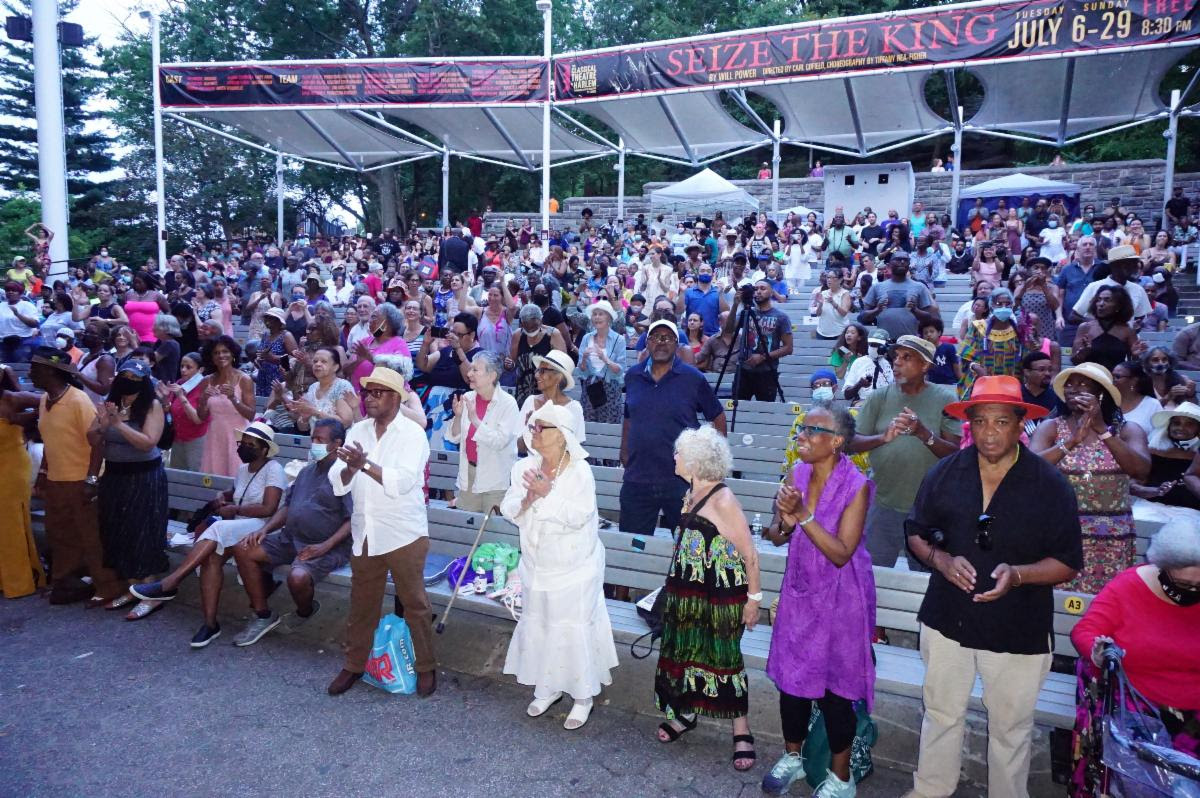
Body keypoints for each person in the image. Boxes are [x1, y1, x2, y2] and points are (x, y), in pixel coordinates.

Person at [903, 375, 1083, 798]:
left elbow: (1067, 562)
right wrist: (941, 560)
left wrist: (1018, 575)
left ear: (1021, 423)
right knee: (942, 714)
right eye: (981, 421)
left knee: (1011, 728)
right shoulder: (945, 472)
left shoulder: (1050, 485)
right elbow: (915, 531)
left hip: (1018, 625)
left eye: (1001, 422)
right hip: (948, 617)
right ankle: (930, 790)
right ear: (970, 423)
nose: (989, 432)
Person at [761, 404, 875, 798]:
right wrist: (781, 519)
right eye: (802, 428)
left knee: (835, 691)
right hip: (801, 593)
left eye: (813, 430)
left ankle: (841, 780)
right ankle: (793, 757)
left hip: (842, 601)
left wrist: (803, 514)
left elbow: (842, 552)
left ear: (837, 442)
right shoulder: (798, 473)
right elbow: (779, 535)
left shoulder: (856, 484)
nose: (802, 435)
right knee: (792, 683)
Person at [500, 402, 617, 730]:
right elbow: (510, 506)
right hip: (536, 564)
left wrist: (547, 493)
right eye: (534, 426)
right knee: (542, 625)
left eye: (542, 427)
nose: (534, 432)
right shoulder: (523, 466)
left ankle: (583, 697)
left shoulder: (579, 471)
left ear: (562, 436)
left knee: (571, 628)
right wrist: (528, 499)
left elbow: (580, 517)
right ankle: (548, 686)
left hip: (575, 567)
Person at [654, 426, 762, 773]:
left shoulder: (722, 500)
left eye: (680, 453)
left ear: (697, 461)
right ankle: (686, 713)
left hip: (721, 595)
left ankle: (741, 729)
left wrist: (753, 600)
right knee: (686, 649)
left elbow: (750, 555)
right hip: (688, 591)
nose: (675, 458)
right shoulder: (689, 491)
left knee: (724, 657)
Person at [1067, 519, 1200, 798]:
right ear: (1163, 567)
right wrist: (1099, 651)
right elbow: (1086, 630)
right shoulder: (1129, 585)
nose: (1193, 589)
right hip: (1137, 705)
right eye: (1184, 583)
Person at [326, 367, 437, 698]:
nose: (369, 398)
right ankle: (354, 664)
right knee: (362, 604)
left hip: (403, 532)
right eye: (367, 393)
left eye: (377, 393)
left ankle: (427, 667)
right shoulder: (358, 429)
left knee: (414, 604)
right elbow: (337, 481)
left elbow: (401, 483)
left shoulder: (412, 434)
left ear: (395, 397)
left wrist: (363, 465)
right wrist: (350, 466)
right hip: (366, 531)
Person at [130, 423, 286, 645]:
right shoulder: (243, 470)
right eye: (243, 443)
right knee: (210, 558)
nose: (244, 448)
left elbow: (269, 508)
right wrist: (226, 495)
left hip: (263, 527)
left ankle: (171, 583)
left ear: (264, 449)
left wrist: (235, 509)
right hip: (239, 527)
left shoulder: (274, 470)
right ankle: (210, 624)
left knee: (218, 529)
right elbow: (239, 493)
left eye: (251, 445)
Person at [229, 419, 354, 645]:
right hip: (290, 538)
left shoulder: (345, 475)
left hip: (326, 545)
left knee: (296, 578)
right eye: (312, 438)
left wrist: (324, 547)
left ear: (337, 443)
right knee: (244, 548)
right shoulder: (307, 472)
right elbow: (287, 507)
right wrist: (265, 529)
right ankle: (263, 615)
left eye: (320, 440)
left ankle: (305, 611)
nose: (313, 443)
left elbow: (352, 520)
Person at [1031, 363, 1150, 594]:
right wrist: (1071, 442)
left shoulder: (1126, 430)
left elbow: (1140, 470)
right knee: (1060, 604)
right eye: (1069, 385)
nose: (1073, 390)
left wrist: (1102, 429)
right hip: (1062, 532)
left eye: (1083, 384)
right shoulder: (1051, 428)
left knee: (1106, 603)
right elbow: (1031, 469)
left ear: (1101, 393)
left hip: (1112, 537)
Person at [848, 335, 960, 579]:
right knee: (870, 577)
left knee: (926, 580)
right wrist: (882, 438)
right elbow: (853, 442)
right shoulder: (878, 397)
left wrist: (923, 433)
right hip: (883, 503)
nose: (897, 363)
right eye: (896, 356)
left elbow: (954, 454)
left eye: (907, 357)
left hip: (928, 509)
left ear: (925, 366)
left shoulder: (946, 399)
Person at [30, 346, 122, 605]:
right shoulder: (44, 400)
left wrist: (92, 480)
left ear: (51, 370)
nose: (31, 373)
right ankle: (67, 581)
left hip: (81, 480)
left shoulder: (78, 400)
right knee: (59, 533)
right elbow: (50, 440)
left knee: (91, 536)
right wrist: (43, 472)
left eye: (35, 368)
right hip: (57, 480)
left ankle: (108, 586)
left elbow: (98, 442)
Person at [620, 317, 726, 535]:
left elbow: (717, 416)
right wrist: (624, 450)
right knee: (634, 548)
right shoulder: (633, 376)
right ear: (647, 343)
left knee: (687, 549)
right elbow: (629, 415)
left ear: (677, 346)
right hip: (638, 478)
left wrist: (713, 463)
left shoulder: (692, 378)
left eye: (667, 338)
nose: (661, 342)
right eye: (655, 337)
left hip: (681, 480)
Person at [95, 360, 170, 620]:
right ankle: (132, 587)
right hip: (115, 476)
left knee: (142, 532)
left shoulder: (152, 405)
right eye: (124, 376)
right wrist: (103, 425)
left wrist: (118, 424)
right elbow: (91, 437)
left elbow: (148, 442)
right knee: (119, 531)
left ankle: (150, 592)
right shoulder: (112, 401)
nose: (128, 381)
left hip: (144, 478)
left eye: (135, 377)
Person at [446, 352, 520, 513]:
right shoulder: (467, 397)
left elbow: (499, 441)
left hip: (496, 479)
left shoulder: (508, 403)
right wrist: (458, 417)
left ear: (492, 376)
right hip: (468, 476)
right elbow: (454, 437)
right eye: (470, 369)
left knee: (490, 533)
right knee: (468, 533)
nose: (469, 373)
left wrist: (475, 420)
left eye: (475, 370)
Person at [0, 364, 45, 598]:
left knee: (10, 524)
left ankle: (19, 581)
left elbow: (48, 401)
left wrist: (25, 418)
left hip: (11, 469)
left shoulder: (12, 398)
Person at [723, 279, 794, 402]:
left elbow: (788, 348)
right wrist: (735, 305)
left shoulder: (781, 317)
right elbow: (728, 330)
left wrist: (762, 357)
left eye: (763, 288)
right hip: (744, 371)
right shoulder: (746, 312)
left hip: (767, 372)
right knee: (738, 408)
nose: (758, 292)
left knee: (765, 412)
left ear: (771, 292)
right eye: (756, 289)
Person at [959, 288, 1038, 397]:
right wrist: (975, 367)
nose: (1003, 307)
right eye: (999, 304)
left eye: (1007, 304)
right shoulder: (978, 327)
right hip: (982, 385)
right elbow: (965, 355)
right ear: (991, 306)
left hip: (1011, 386)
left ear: (1012, 306)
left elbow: (1027, 360)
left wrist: (1031, 347)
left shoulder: (1019, 331)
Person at [197, 336, 255, 478]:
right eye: (216, 353)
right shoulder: (206, 381)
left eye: (225, 351)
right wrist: (204, 399)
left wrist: (233, 398)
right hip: (215, 437)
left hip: (238, 438)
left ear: (232, 354)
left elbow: (251, 414)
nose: (221, 355)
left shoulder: (244, 379)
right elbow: (201, 416)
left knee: (238, 480)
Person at [1131, 403, 1200, 511]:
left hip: (1192, 513)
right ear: (1168, 426)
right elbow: (1133, 485)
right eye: (1176, 423)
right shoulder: (1152, 451)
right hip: (1151, 509)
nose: (1181, 428)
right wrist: (1155, 491)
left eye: (1189, 424)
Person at [858, 253, 937, 341]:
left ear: (909, 264)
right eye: (898, 259)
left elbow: (929, 319)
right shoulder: (877, 287)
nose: (902, 262)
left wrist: (915, 310)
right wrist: (877, 310)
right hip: (883, 342)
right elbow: (863, 317)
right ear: (889, 265)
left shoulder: (919, 287)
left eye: (905, 260)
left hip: (910, 342)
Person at [518, 349, 584, 442]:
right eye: (537, 370)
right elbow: (518, 446)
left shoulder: (573, 408)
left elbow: (572, 449)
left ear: (559, 377)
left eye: (542, 371)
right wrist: (529, 430)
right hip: (529, 456)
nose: (536, 375)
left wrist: (542, 429)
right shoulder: (530, 401)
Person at [158, 351, 209, 471]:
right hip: (178, 438)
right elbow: (168, 410)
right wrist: (165, 398)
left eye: (188, 367)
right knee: (178, 476)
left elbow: (197, 420)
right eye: (182, 366)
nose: (183, 370)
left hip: (197, 440)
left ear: (200, 370)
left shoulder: (204, 387)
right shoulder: (180, 383)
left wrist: (181, 397)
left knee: (195, 478)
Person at [510, 303, 567, 409]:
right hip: (523, 391)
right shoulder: (518, 335)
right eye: (526, 326)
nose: (530, 330)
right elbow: (512, 363)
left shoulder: (553, 335)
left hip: (547, 392)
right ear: (521, 323)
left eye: (533, 326)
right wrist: (508, 364)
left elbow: (562, 367)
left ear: (541, 320)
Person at [577, 300, 626, 424]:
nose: (597, 317)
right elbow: (581, 369)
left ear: (609, 318)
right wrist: (583, 358)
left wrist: (604, 359)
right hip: (590, 388)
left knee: (609, 426)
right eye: (595, 314)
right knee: (588, 425)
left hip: (611, 389)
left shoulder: (619, 340)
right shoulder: (586, 338)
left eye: (601, 314)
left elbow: (620, 370)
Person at [1071, 284, 1138, 372]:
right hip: (1089, 379)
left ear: (1118, 306)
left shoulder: (1128, 331)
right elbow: (1074, 361)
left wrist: (1136, 355)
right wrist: (1082, 354)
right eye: (1099, 300)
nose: (1101, 304)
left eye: (1107, 300)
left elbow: (1134, 363)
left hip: (1115, 381)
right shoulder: (1085, 327)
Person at [841, 328, 894, 404]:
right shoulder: (859, 362)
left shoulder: (891, 363)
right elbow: (847, 395)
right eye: (871, 344)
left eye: (878, 345)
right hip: (864, 403)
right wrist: (859, 384)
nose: (873, 347)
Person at [254, 307, 298, 398]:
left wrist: (274, 358)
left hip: (279, 377)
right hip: (264, 375)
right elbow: (262, 354)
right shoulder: (265, 335)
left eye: (271, 318)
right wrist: (258, 359)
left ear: (279, 321)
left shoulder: (286, 336)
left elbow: (295, 359)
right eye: (266, 317)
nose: (267, 320)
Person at [1111, 359, 1161, 437]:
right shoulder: (1107, 402)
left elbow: (1160, 437)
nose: (1112, 380)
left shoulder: (1153, 405)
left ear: (1133, 381)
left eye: (1117, 377)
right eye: (1112, 376)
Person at [1143, 346, 1196, 410]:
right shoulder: (1143, 382)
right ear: (1147, 363)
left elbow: (1194, 409)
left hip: (1177, 418)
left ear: (1170, 362)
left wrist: (1191, 394)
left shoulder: (1179, 379)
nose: (1161, 363)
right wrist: (1168, 396)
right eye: (1155, 360)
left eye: (1164, 359)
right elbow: (1147, 411)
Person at [1, 280, 41, 362]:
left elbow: (34, 324)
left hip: (22, 343)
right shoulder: (1, 305)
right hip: (2, 342)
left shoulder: (27, 305)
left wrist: (17, 314)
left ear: (20, 292)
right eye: (8, 290)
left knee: (19, 369)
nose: (10, 292)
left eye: (14, 290)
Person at [812, 267, 852, 341]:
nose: (829, 280)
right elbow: (818, 314)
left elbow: (844, 313)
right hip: (822, 332)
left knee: (839, 353)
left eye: (833, 278)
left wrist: (833, 303)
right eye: (828, 277)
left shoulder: (845, 294)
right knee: (823, 352)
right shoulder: (823, 293)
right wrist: (820, 304)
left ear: (840, 280)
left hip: (840, 333)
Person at [1019, 351, 1060, 418]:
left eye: (1050, 370)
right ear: (1027, 372)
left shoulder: (1056, 399)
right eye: (1041, 370)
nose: (1047, 373)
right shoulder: (1017, 396)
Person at [921, 318, 960, 387]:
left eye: (932, 331)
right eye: (925, 333)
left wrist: (961, 384)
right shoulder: (923, 351)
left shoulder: (949, 348)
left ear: (939, 332)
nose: (928, 334)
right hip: (932, 386)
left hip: (950, 384)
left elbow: (956, 368)